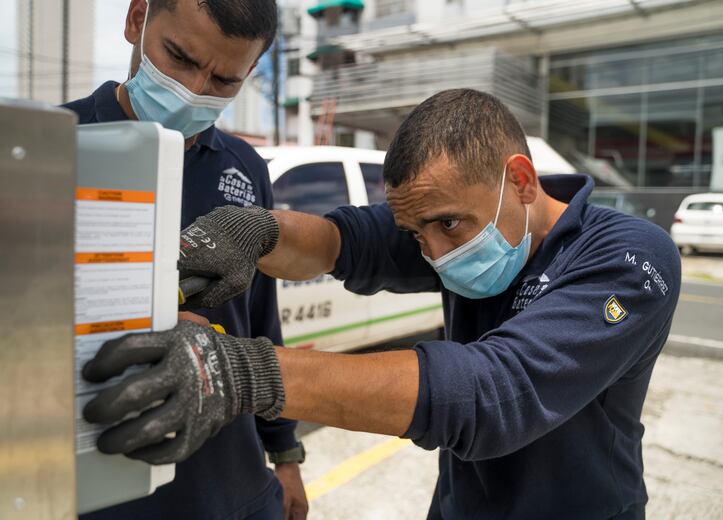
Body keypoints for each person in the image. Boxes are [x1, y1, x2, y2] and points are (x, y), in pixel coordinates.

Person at [83, 89, 682, 519]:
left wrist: (243, 372)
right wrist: (257, 231)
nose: (437, 252)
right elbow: (347, 241)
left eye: (449, 225)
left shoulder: (629, 257)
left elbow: (495, 393)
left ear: (521, 180)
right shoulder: (446, 222)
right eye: (419, 233)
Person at [63, 1, 308, 518]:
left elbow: (261, 320)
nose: (193, 90)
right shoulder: (55, 148)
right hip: (104, 484)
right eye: (178, 57)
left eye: (224, 80)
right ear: (136, 20)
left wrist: (285, 455)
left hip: (236, 489)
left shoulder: (244, 168)